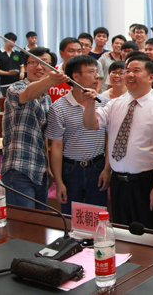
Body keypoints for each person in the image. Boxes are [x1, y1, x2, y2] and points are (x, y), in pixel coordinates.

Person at [82, 53, 153, 228]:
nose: (130, 74)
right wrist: (90, 103)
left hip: (146, 182)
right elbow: (91, 124)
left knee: (148, 233)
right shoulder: (115, 104)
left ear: (151, 77)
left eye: (136, 70)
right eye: (127, 70)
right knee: (121, 231)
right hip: (118, 182)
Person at [1, 47, 69, 209]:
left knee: (40, 221)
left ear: (52, 67)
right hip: (18, 168)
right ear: (25, 67)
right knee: (24, 221)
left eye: (44, 63)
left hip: (40, 170)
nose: (39, 67)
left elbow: (44, 134)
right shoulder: (15, 88)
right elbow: (27, 94)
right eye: (33, 62)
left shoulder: (46, 98)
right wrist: (51, 80)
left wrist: (47, 167)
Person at [45, 55, 111, 214]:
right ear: (75, 76)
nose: (97, 76)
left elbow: (109, 138)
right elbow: (56, 146)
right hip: (70, 170)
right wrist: (59, 182)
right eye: (91, 72)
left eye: (97, 72)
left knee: (97, 216)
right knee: (71, 216)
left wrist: (107, 169)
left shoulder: (104, 102)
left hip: (97, 167)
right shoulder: (58, 107)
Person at [48, 37, 82, 102]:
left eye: (79, 51)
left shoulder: (86, 75)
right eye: (71, 51)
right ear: (61, 53)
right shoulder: (51, 73)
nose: (76, 55)